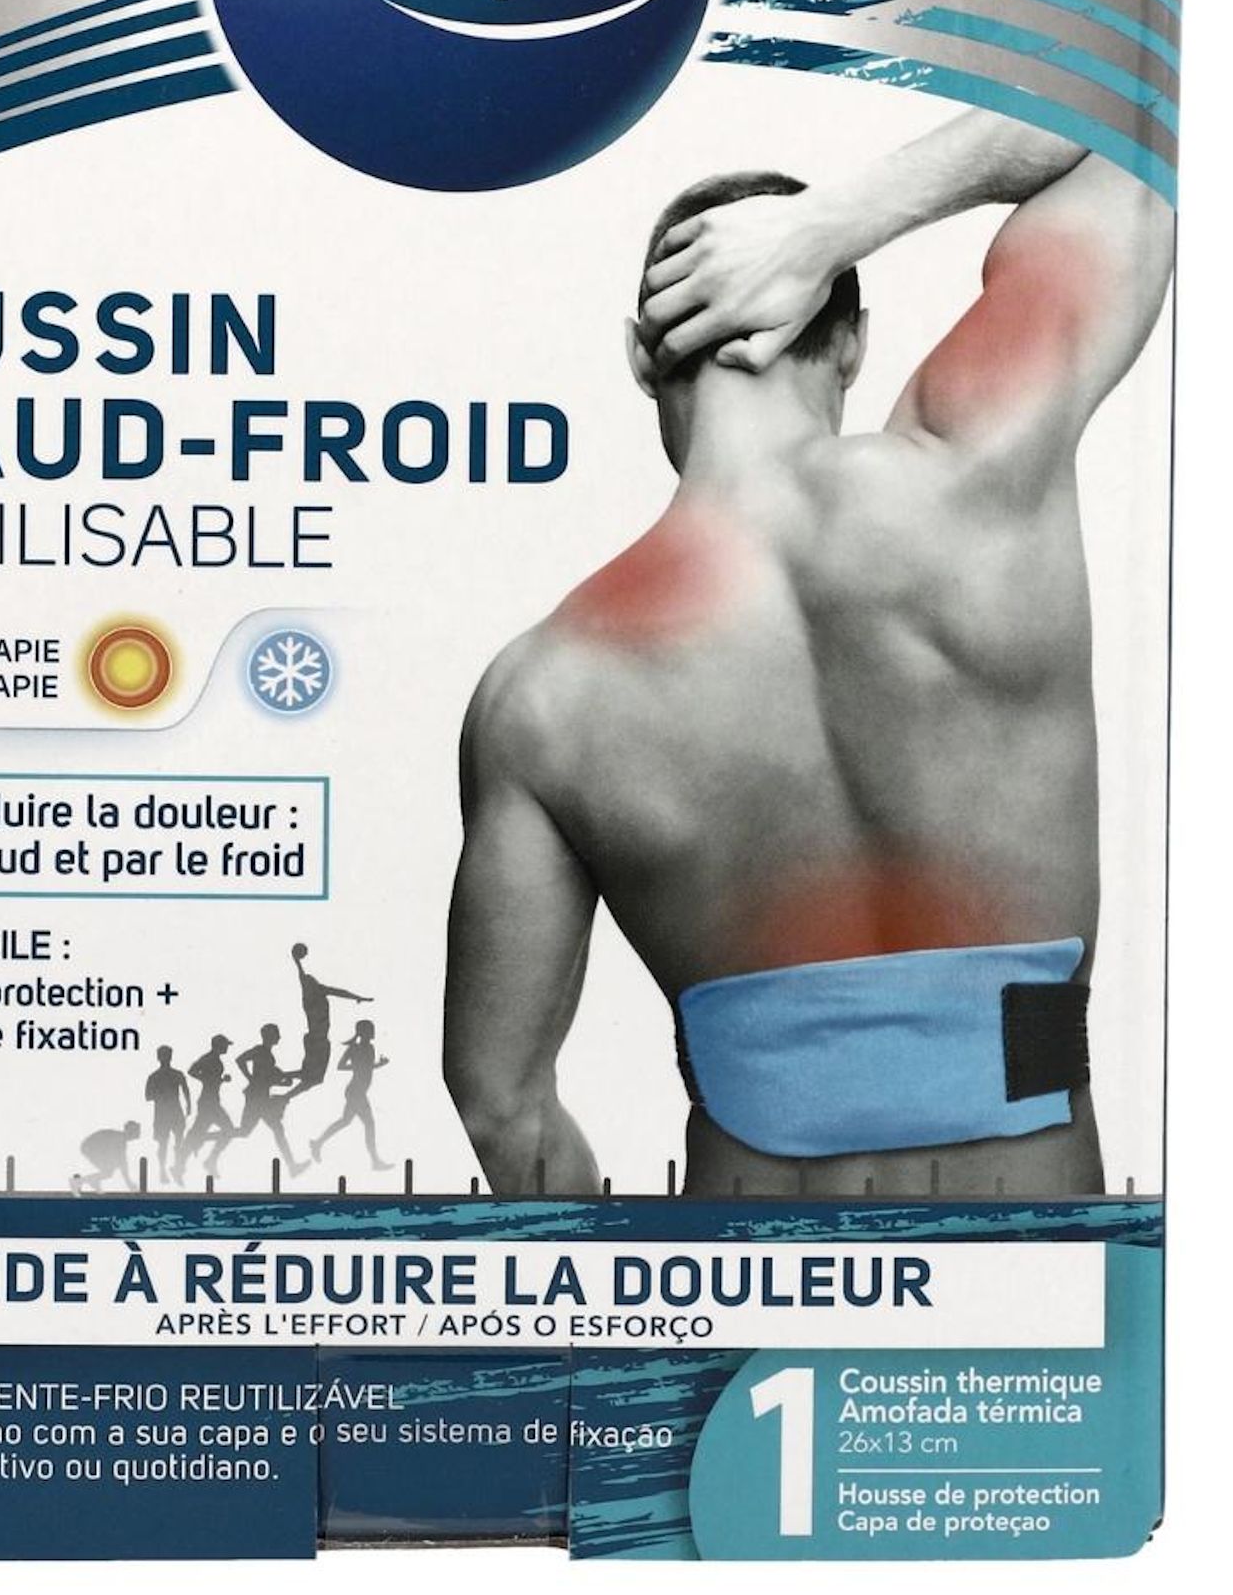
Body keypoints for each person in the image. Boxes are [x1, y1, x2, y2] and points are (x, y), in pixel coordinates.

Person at [443, 110, 1173, 1199]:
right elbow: (1131, 131)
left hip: (750, 1276)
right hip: (1031, 1276)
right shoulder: (977, 472)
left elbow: (501, 1105)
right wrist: (837, 223)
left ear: (641, 357)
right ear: (853, 339)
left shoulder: (541, 696)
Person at [209, 1023, 306, 1178]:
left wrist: (285, 1079)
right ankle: (204, 1138)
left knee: (250, 1131)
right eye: (276, 1034)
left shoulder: (267, 1054)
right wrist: (250, 1078)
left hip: (261, 1098)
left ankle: (292, 1166)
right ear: (270, 1036)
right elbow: (240, 1060)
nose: (279, 1037)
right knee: (251, 1131)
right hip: (256, 1098)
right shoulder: (260, 1051)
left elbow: (267, 1078)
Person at [285, 941, 371, 1099]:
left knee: (309, 1075)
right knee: (314, 1078)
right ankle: (283, 1094)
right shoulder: (314, 992)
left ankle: (280, 1081)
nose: (314, 981)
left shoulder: (316, 991)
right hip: (318, 1040)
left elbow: (340, 992)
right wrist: (296, 959)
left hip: (316, 1039)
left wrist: (358, 997)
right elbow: (338, 991)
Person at [311, 1019, 393, 1172]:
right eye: (370, 1029)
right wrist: (357, 1066)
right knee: (369, 1124)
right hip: (356, 1091)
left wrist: (379, 1065)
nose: (373, 1032)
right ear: (363, 1032)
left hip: (358, 1091)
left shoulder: (370, 1048)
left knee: (346, 1121)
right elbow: (340, 1066)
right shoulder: (354, 1048)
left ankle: (318, 1143)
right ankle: (375, 1161)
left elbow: (367, 1067)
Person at [179, 1035, 235, 1174]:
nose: (227, 1047)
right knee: (228, 1130)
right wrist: (205, 1079)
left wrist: (221, 1080)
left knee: (199, 1131)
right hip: (208, 1102)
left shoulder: (215, 1059)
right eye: (225, 1045)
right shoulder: (208, 1058)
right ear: (218, 1045)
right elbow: (192, 1071)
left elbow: (212, 1079)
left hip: (211, 1100)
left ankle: (184, 1162)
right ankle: (206, 1158)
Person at [142, 1044, 190, 1184]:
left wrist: (189, 1105)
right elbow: (148, 1096)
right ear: (159, 1057)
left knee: (178, 1141)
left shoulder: (177, 1074)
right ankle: (162, 1170)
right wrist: (163, 1095)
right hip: (162, 1113)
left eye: (168, 1055)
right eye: (164, 1055)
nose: (166, 1058)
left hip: (175, 1111)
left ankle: (176, 1168)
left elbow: (186, 1090)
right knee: (163, 1143)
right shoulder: (154, 1077)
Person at [70, 1121, 141, 1194]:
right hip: (90, 1147)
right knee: (108, 1171)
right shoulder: (119, 1139)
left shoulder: (120, 1139)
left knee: (110, 1169)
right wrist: (129, 1183)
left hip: (92, 1147)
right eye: (135, 1133)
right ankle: (78, 1182)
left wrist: (128, 1182)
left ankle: (91, 1180)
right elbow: (123, 1163)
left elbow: (121, 1162)